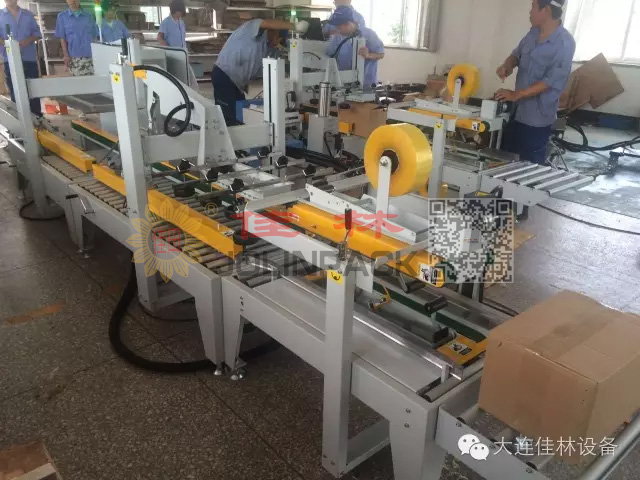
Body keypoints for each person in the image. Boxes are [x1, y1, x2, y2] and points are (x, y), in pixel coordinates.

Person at [495, 0, 575, 165]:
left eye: (533, 6)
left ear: (546, 9)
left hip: (537, 119)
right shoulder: (532, 33)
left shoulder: (565, 43)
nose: (530, 12)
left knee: (529, 166)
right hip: (517, 112)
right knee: (506, 161)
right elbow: (516, 55)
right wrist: (507, 66)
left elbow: (551, 81)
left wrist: (516, 94)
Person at [212, 18, 308, 125]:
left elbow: (274, 69)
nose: (277, 42)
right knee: (228, 117)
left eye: (280, 40)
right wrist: (294, 26)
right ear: (273, 31)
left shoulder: (272, 49)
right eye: (277, 38)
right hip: (223, 74)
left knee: (241, 115)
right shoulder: (251, 29)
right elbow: (266, 22)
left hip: (238, 84)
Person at [326, 6, 384, 90]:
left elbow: (381, 54)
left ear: (348, 23)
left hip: (366, 84)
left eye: (339, 27)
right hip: (344, 84)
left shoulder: (369, 34)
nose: (337, 29)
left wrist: (368, 55)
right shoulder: (337, 38)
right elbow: (329, 56)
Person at [0, 0, 42, 115]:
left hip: (29, 58)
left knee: (33, 89)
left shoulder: (28, 15)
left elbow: (37, 33)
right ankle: (20, 117)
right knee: (15, 90)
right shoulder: (0, 15)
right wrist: (9, 44)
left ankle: (37, 117)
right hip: (10, 59)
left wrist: (27, 41)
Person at [55, 0, 98, 76]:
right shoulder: (62, 17)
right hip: (73, 57)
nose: (73, 1)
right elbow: (62, 38)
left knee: (91, 81)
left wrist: (96, 54)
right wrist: (66, 55)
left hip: (90, 56)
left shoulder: (89, 16)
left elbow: (94, 37)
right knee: (76, 82)